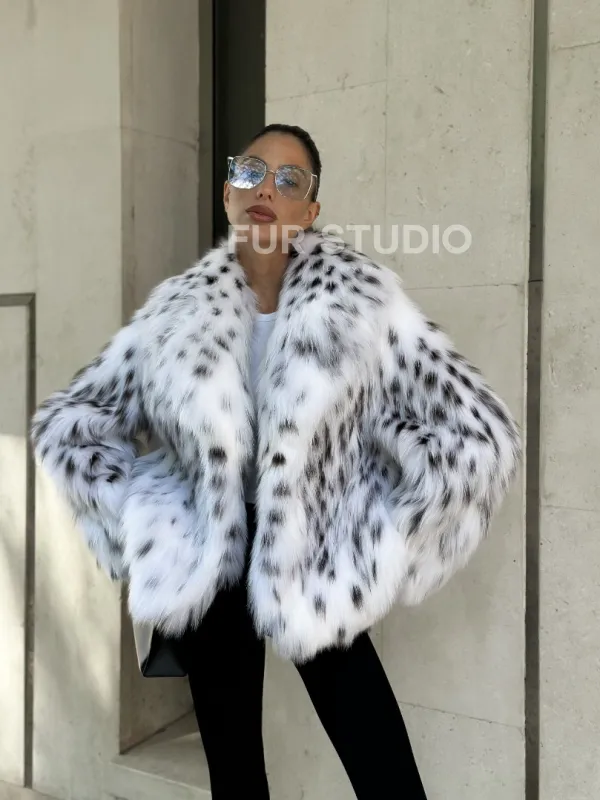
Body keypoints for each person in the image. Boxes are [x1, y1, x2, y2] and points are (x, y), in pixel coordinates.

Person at [31, 123, 521, 799]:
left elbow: (477, 433)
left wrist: (377, 530)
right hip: (213, 558)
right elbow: (73, 427)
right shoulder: (173, 315)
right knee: (235, 775)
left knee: (384, 773)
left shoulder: (361, 305)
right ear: (228, 192)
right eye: (251, 172)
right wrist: (151, 520)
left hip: (317, 554)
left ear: (309, 211)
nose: (266, 189)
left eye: (289, 180)